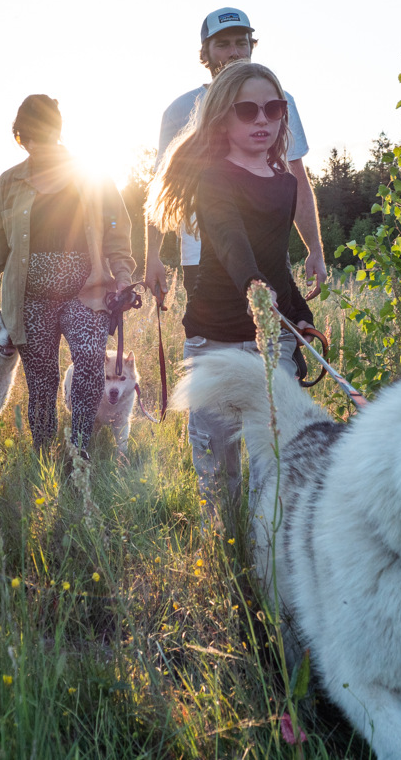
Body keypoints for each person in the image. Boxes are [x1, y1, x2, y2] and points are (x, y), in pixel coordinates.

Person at [146, 60, 315, 518]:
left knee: (273, 464)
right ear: (223, 116)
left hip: (272, 339)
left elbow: (277, 259)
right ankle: (226, 558)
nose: (262, 119)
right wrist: (258, 292)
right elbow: (231, 242)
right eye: (247, 111)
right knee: (220, 469)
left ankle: (265, 564)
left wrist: (299, 314)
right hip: (217, 337)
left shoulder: (283, 182)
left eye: (273, 109)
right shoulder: (213, 177)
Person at [0, 95, 136, 463]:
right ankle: (44, 453)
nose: (38, 144)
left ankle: (80, 449)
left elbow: (117, 231)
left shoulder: (91, 175)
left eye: (45, 136)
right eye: (29, 137)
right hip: (31, 298)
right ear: (20, 139)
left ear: (58, 133)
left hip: (87, 293)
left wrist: (123, 276)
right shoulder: (8, 183)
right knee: (42, 380)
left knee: (91, 362)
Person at [145, 7, 326, 306]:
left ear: (252, 46)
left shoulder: (279, 102)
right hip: (203, 257)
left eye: (242, 42)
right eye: (223, 44)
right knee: (217, 344)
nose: (234, 52)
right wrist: (152, 257)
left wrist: (315, 248)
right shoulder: (180, 110)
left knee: (277, 342)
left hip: (269, 255)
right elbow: (162, 187)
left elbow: (298, 180)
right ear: (206, 53)